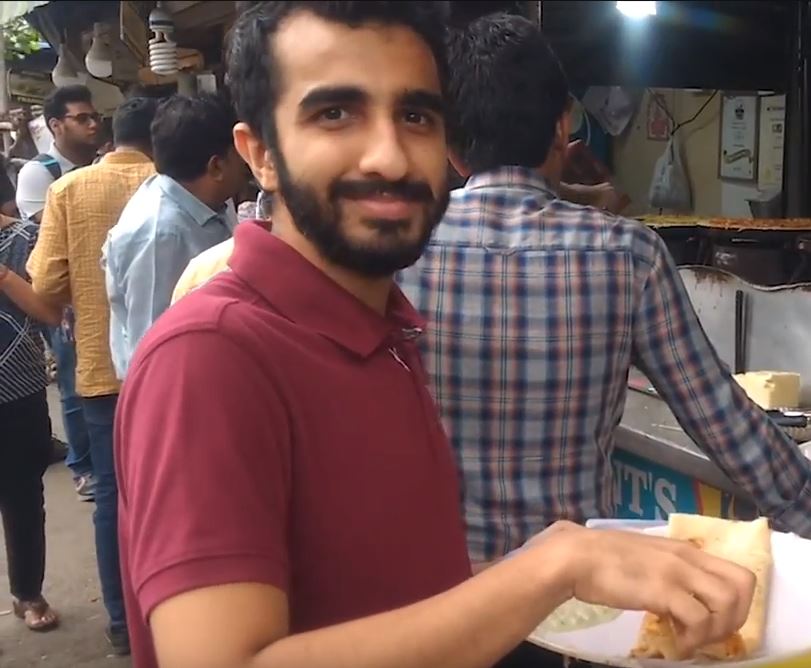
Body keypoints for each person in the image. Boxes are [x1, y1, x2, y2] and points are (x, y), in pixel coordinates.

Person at [113, 4, 756, 668]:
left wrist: (557, 573)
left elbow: (394, 600)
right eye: (334, 113)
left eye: (416, 115)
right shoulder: (211, 355)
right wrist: (552, 565)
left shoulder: (386, 334)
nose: (390, 156)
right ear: (261, 155)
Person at [397, 13, 811, 567]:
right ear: (564, 127)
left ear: (451, 146)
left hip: (437, 603)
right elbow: (723, 420)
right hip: (575, 610)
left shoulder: (397, 251)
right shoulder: (627, 255)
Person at [21, 96, 160, 656]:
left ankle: (124, 623)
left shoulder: (68, 191)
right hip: (180, 369)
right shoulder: (180, 182)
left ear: (113, 136)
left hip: (104, 369)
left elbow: (46, 283)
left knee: (113, 496)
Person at [102, 93, 247, 379]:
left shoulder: (210, 203)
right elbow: (153, 344)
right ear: (217, 166)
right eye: (239, 154)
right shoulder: (159, 234)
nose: (247, 164)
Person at [15, 85, 101, 499]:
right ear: (55, 125)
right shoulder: (41, 172)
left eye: (93, 117)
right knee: (72, 378)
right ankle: (83, 464)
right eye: (81, 118)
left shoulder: (103, 166)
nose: (92, 124)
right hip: (62, 294)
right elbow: (44, 239)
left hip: (100, 288)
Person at [0, 215, 58, 633]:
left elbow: (48, 312)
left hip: (18, 388)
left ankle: (27, 593)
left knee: (22, 497)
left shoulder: (25, 238)